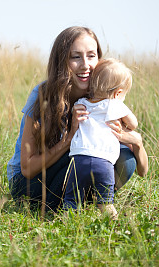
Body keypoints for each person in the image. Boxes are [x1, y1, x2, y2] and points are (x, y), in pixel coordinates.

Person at [6, 26, 148, 212]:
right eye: (75, 57)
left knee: (125, 159)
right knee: (83, 155)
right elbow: (27, 169)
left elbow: (142, 171)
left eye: (91, 55)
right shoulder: (43, 95)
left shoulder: (104, 97)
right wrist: (70, 138)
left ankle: (89, 202)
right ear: (61, 61)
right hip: (30, 184)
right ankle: (72, 204)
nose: (85, 65)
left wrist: (137, 142)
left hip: (73, 172)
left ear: (99, 59)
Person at [63, 58, 138, 219]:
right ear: (118, 93)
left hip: (79, 160)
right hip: (103, 162)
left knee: (71, 200)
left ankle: (65, 226)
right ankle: (113, 226)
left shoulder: (81, 103)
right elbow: (133, 124)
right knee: (105, 202)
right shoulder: (115, 105)